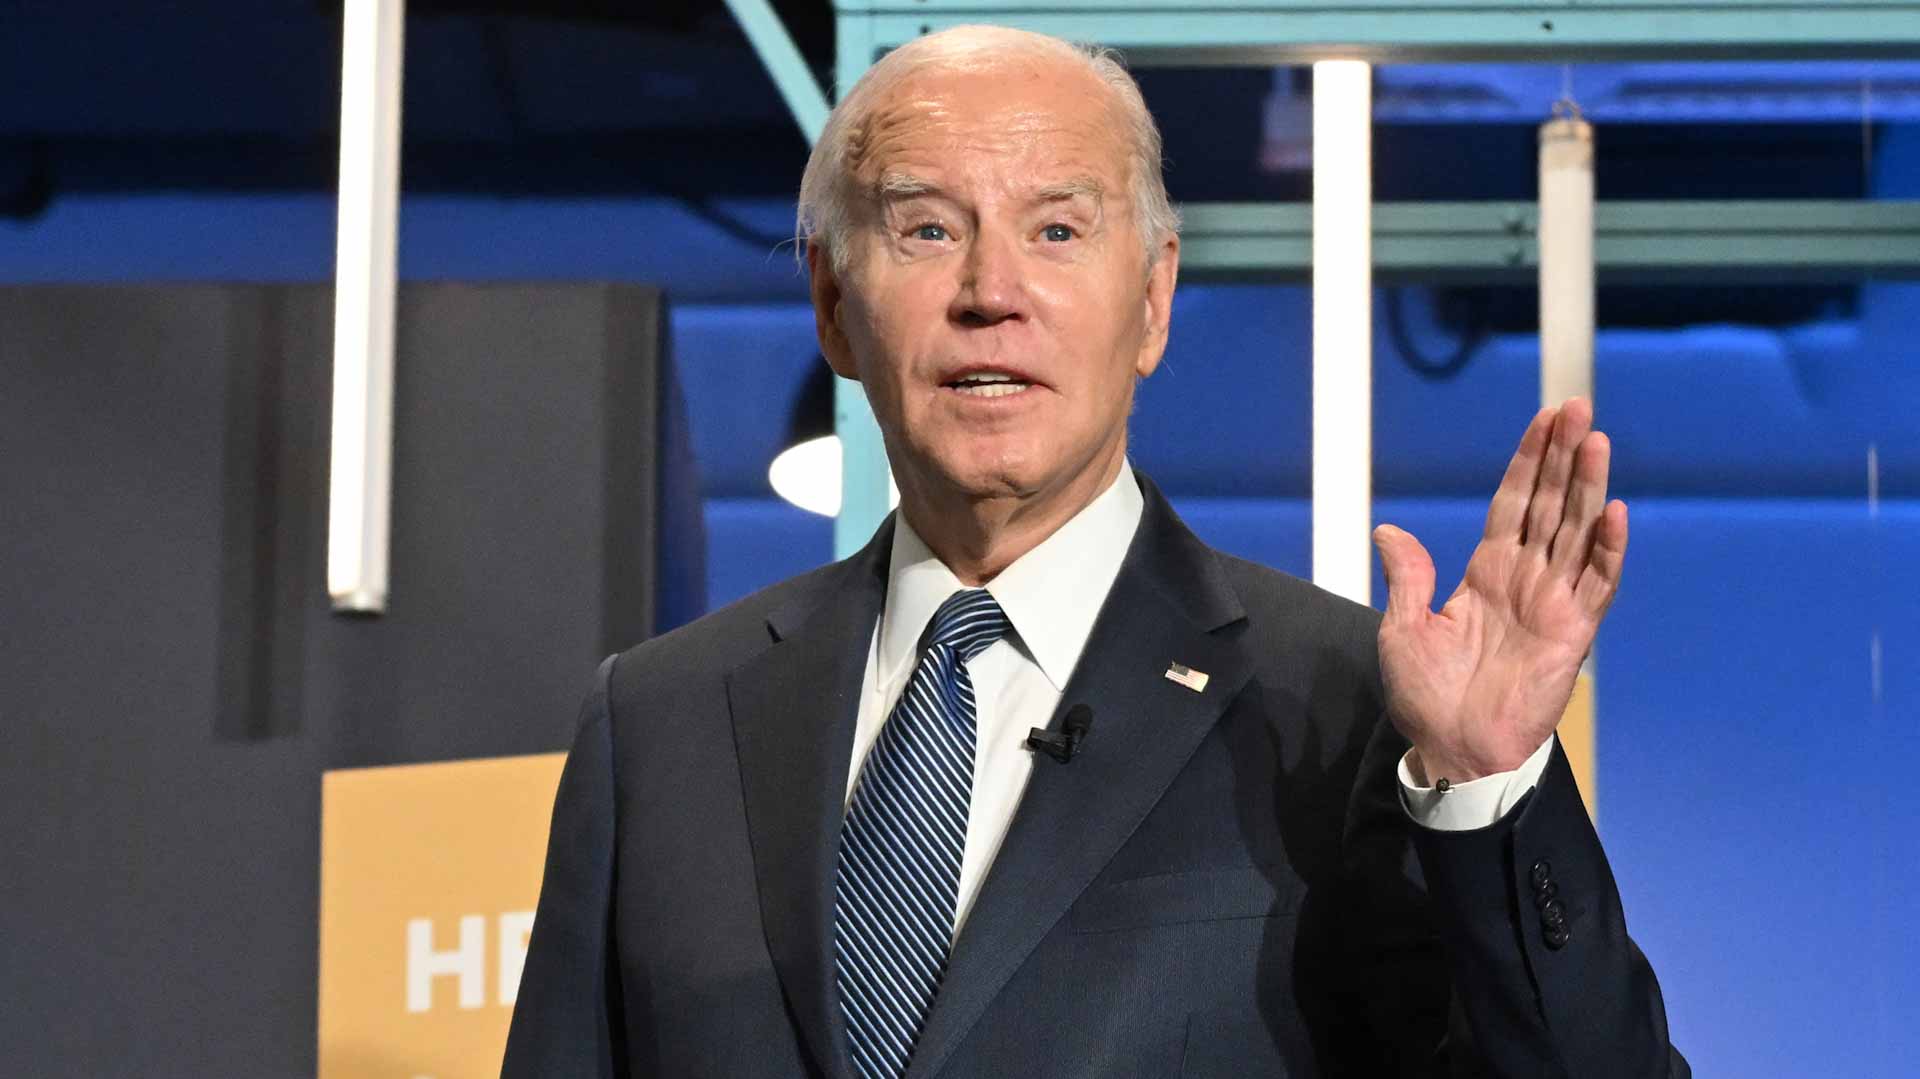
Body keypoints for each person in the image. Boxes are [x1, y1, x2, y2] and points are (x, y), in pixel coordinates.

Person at [503, 24, 1685, 1079]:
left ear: (1154, 300)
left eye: (1057, 229)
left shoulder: (1340, 707)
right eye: (927, 229)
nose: (991, 291)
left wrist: (1484, 783)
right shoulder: (656, 724)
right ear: (832, 305)